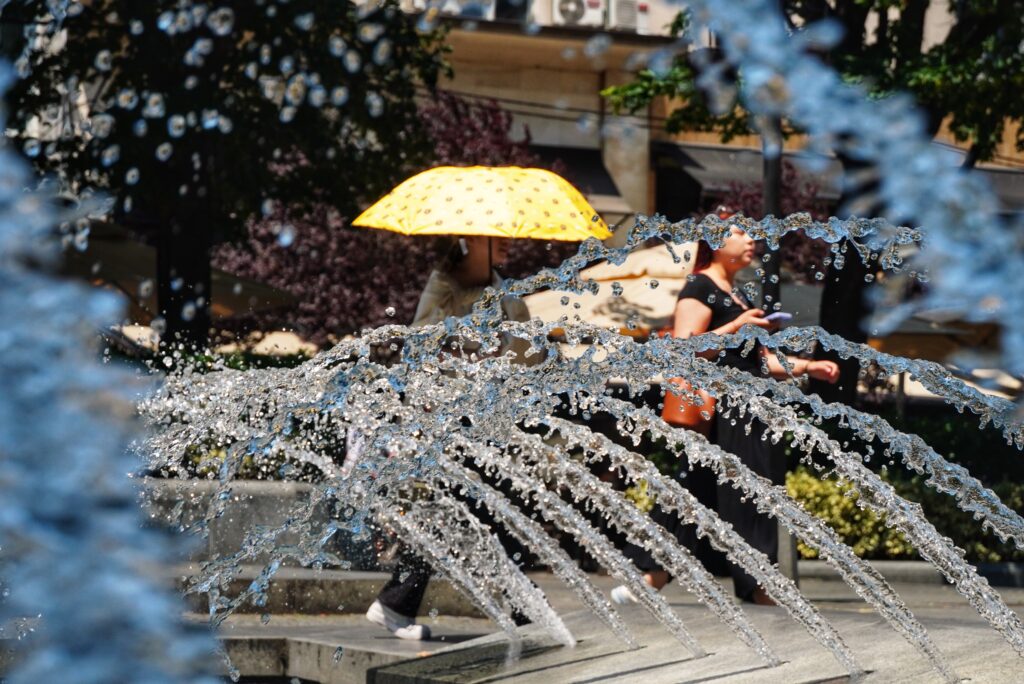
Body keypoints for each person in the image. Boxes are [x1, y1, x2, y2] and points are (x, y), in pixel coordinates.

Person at [610, 220, 839, 605]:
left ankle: (650, 574)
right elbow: (684, 349)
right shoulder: (699, 287)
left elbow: (759, 361)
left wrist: (807, 366)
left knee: (694, 490)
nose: (751, 239)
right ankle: (759, 585)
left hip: (745, 405)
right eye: (740, 233)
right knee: (748, 491)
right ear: (716, 243)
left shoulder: (738, 295)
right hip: (723, 408)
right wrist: (735, 326)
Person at [365, 235, 536, 640]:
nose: (509, 242)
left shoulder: (505, 290)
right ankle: (523, 609)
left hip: (487, 418)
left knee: (481, 510)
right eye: (498, 236)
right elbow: (419, 348)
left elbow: (526, 350)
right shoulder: (444, 284)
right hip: (449, 420)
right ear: (473, 239)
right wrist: (466, 352)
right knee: (483, 508)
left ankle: (397, 603)